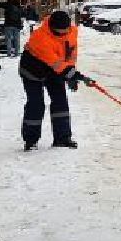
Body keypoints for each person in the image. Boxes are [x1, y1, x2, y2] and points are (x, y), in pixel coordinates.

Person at [18, 9, 95, 150]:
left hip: (55, 70)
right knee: (36, 104)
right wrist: (73, 74)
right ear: (52, 28)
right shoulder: (40, 38)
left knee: (60, 101)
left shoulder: (72, 31)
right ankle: (31, 140)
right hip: (33, 70)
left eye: (66, 30)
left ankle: (62, 138)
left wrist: (71, 73)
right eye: (60, 31)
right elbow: (56, 63)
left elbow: (70, 55)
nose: (64, 33)